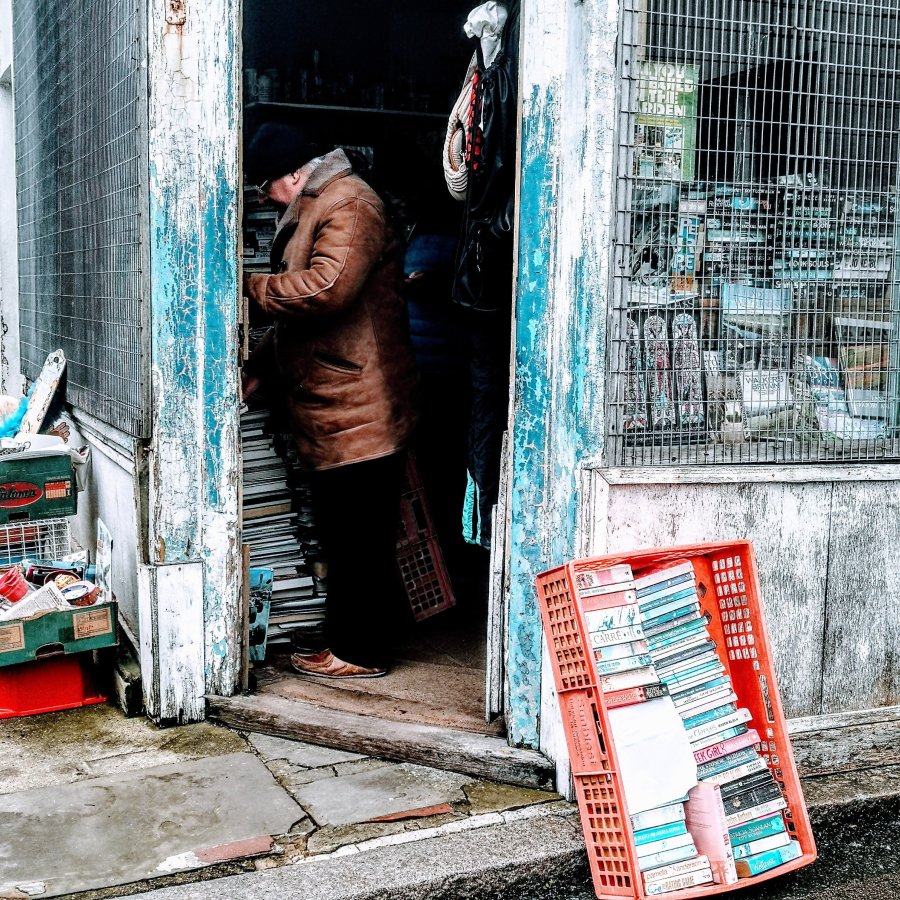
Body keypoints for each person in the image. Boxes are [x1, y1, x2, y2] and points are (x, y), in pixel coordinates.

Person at [243, 123, 417, 679]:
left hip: (359, 404)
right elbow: (302, 323)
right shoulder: (321, 204)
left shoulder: (350, 201)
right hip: (335, 402)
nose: (264, 196)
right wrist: (262, 370)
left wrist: (250, 287)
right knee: (346, 531)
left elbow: (326, 289)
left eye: (266, 185)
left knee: (360, 534)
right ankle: (349, 641)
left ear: (293, 175)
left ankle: (361, 652)